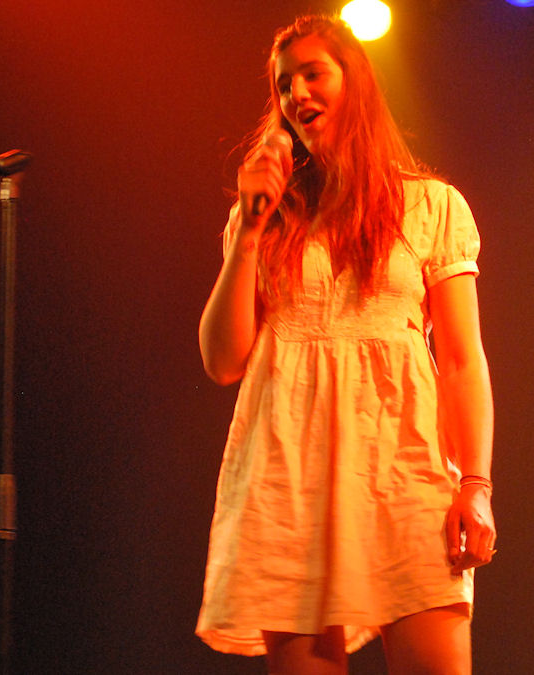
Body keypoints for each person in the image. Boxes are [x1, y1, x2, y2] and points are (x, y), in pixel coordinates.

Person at [196, 14, 496, 675]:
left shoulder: (430, 206)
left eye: (311, 74)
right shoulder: (264, 218)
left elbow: (460, 359)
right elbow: (222, 360)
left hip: (403, 472)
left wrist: (475, 484)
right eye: (283, 84)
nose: (295, 94)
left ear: (353, 82)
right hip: (288, 477)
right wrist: (250, 228)